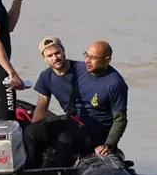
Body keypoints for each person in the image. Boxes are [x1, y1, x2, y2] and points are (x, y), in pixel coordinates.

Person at [24, 38, 129, 168]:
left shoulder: (115, 83)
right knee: (31, 132)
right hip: (76, 123)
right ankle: (30, 172)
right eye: (87, 55)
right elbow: (61, 73)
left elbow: (120, 120)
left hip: (98, 132)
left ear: (107, 60)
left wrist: (108, 145)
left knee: (64, 138)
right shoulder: (82, 70)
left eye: (93, 58)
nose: (87, 61)